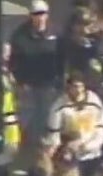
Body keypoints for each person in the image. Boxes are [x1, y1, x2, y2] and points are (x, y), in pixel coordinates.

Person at [8, 0, 63, 144]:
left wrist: (61, 78)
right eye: (36, 14)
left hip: (49, 82)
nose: (40, 18)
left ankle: (42, 140)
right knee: (25, 113)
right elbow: (14, 61)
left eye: (42, 14)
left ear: (47, 15)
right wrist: (20, 81)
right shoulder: (20, 35)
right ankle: (21, 140)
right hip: (28, 83)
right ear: (30, 16)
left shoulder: (56, 33)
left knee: (46, 112)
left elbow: (62, 57)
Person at [44, 72, 103, 176]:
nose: (77, 90)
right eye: (74, 87)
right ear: (68, 87)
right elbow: (54, 134)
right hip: (69, 156)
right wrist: (54, 150)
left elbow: (101, 129)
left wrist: (89, 146)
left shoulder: (95, 102)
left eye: (80, 86)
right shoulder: (59, 106)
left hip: (92, 153)